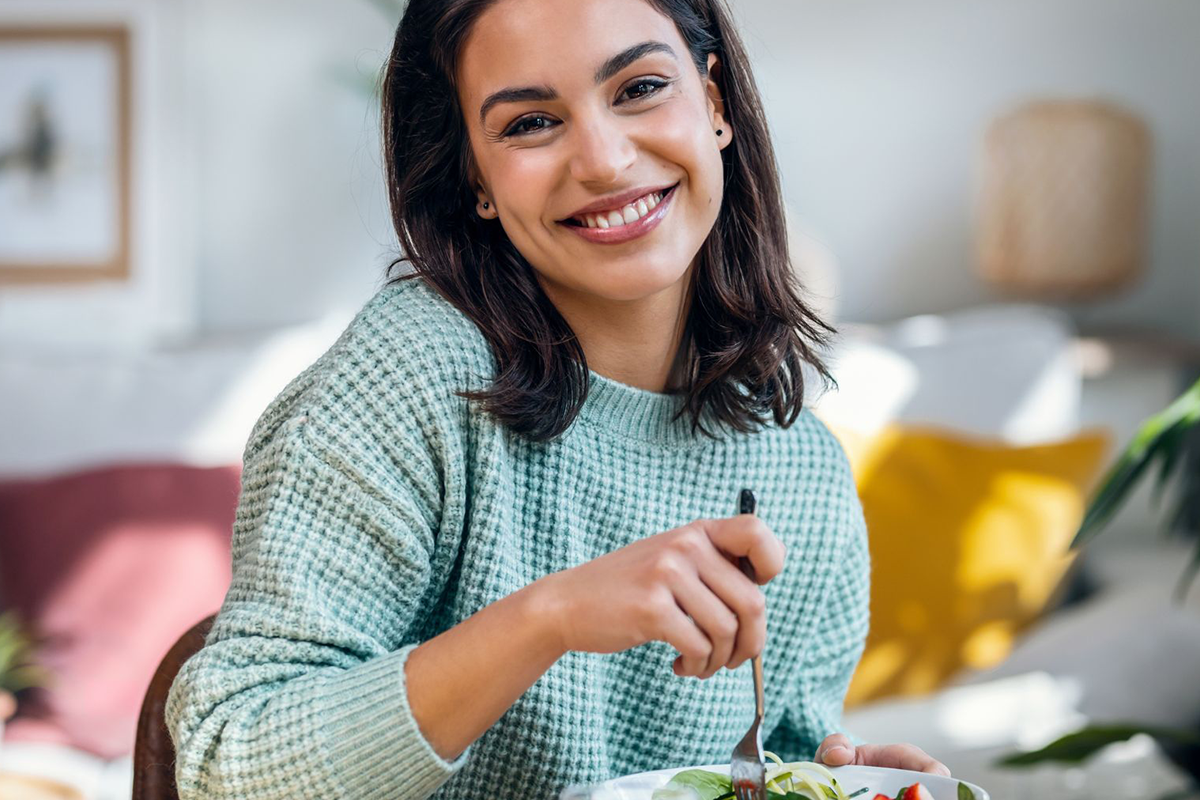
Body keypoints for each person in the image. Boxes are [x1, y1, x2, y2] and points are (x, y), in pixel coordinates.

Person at [166, 0, 951, 797]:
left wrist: (833, 779)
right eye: (531, 123)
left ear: (714, 103)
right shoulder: (408, 378)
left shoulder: (806, 475)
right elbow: (228, 764)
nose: (604, 161)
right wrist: (551, 617)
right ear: (474, 174)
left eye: (640, 88)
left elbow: (773, 758)